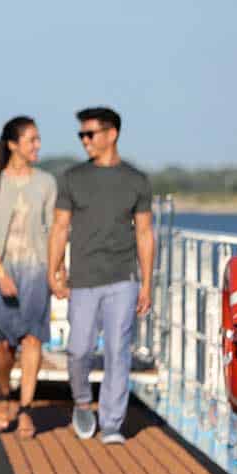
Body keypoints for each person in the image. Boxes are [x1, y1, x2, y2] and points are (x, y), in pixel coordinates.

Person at [47, 107, 155, 445]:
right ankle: (81, 402)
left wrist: (147, 283)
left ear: (112, 134)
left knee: (117, 350)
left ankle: (111, 423)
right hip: (83, 279)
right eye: (81, 135)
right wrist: (54, 270)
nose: (84, 141)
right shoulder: (72, 178)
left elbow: (145, 234)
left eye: (89, 134)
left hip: (123, 278)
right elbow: (60, 227)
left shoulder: (136, 181)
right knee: (78, 349)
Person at [0, 117, 56, 439]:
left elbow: (53, 231)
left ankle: (25, 409)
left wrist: (57, 270)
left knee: (33, 338)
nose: (37, 146)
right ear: (13, 144)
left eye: (38, 140)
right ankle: (4, 393)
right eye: (31, 140)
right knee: (4, 345)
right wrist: (0, 273)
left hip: (36, 270)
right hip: (4, 270)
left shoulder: (47, 183)